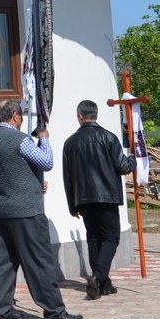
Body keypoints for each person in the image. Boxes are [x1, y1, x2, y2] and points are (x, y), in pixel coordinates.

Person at [0, 100, 81, 319]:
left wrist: (32, 181)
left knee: (4, 263)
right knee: (39, 261)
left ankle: (0, 309)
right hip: (26, 209)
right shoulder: (21, 140)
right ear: (16, 116)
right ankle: (54, 309)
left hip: (1, 208)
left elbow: (10, 171)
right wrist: (44, 138)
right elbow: (46, 162)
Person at [61, 99, 134, 298]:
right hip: (106, 196)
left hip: (83, 198)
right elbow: (123, 167)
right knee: (111, 237)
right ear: (96, 115)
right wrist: (134, 159)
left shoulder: (70, 142)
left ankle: (103, 283)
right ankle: (99, 277)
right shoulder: (108, 137)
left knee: (94, 238)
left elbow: (67, 178)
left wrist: (72, 204)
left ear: (80, 116)